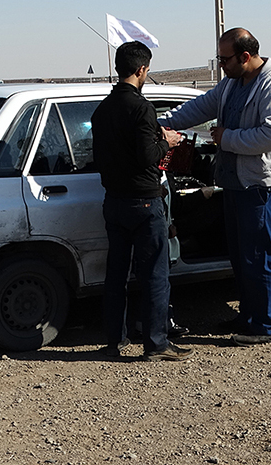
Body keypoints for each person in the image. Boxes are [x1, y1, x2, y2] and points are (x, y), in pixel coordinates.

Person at [158, 27, 271, 346]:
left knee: (260, 254)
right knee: (242, 255)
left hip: (263, 185)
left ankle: (266, 325)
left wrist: (228, 138)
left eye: (224, 59)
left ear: (245, 56)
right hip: (236, 183)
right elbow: (198, 108)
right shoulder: (232, 83)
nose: (221, 64)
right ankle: (249, 316)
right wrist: (160, 123)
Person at [91, 41, 194, 361]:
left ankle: (114, 341)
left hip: (114, 201)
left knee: (116, 275)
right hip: (145, 203)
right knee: (154, 274)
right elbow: (147, 156)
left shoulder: (101, 110)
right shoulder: (141, 108)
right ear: (141, 70)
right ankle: (156, 344)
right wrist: (167, 140)